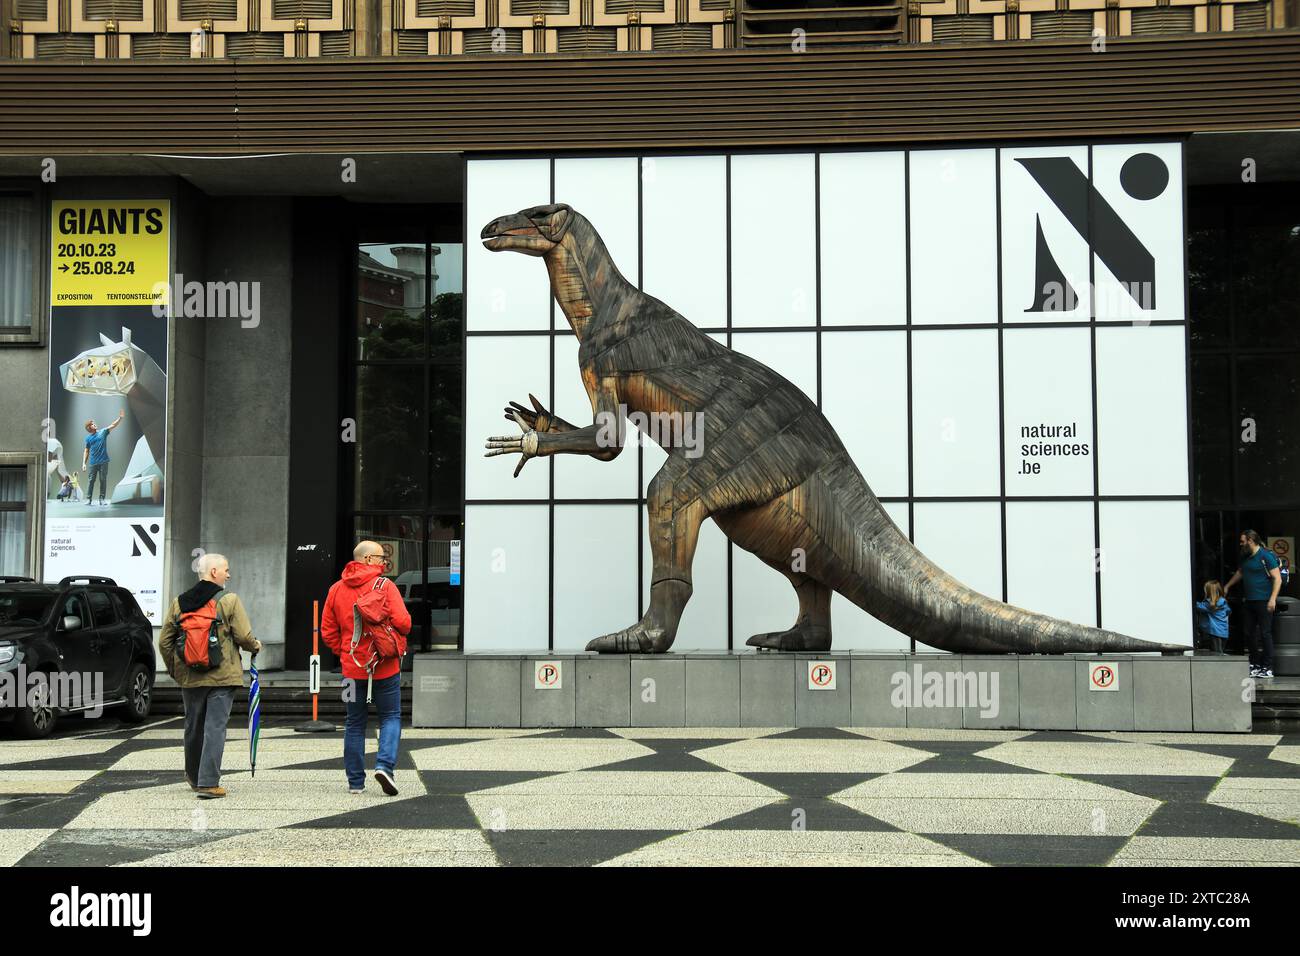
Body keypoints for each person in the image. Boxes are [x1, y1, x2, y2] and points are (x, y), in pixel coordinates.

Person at [158, 553, 262, 799]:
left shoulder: (180, 602)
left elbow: (164, 641)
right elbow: (244, 637)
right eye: (226, 569)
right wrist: (255, 646)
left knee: (193, 726)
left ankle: (194, 777)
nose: (229, 574)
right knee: (215, 727)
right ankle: (208, 783)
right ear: (214, 571)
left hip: (190, 677)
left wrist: (178, 671)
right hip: (222, 676)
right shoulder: (229, 600)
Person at [320, 541, 410, 796]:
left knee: (354, 723)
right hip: (385, 668)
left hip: (351, 671)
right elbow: (403, 623)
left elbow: (328, 631)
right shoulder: (385, 586)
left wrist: (345, 653)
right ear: (368, 559)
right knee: (391, 716)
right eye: (381, 558)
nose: (384, 563)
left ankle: (355, 783)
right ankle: (384, 766)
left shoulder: (336, 589)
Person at [1225, 530, 1282, 679]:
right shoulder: (1245, 556)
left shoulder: (1266, 556)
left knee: (1265, 633)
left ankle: (1268, 667)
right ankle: (1255, 664)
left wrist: (1272, 599)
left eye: (1243, 541)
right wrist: (1227, 586)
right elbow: (1240, 572)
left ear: (1250, 540)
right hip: (1249, 601)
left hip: (1264, 600)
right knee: (1249, 633)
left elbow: (1277, 578)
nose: (1241, 544)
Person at [81, 410, 125, 507]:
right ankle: (89, 499)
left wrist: (120, 418)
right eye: (92, 424)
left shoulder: (103, 432)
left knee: (103, 480)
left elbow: (112, 425)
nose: (94, 424)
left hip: (104, 461)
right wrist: (84, 463)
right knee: (91, 480)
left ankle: (102, 499)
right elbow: (86, 451)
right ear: (89, 428)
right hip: (93, 462)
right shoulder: (88, 438)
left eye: (94, 423)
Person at [1194, 580, 1230, 656]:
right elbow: (1228, 611)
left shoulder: (1209, 604)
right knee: (1219, 653)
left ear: (1208, 592)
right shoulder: (1223, 602)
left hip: (1214, 632)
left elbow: (1197, 606)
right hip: (1223, 632)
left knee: (1217, 655)